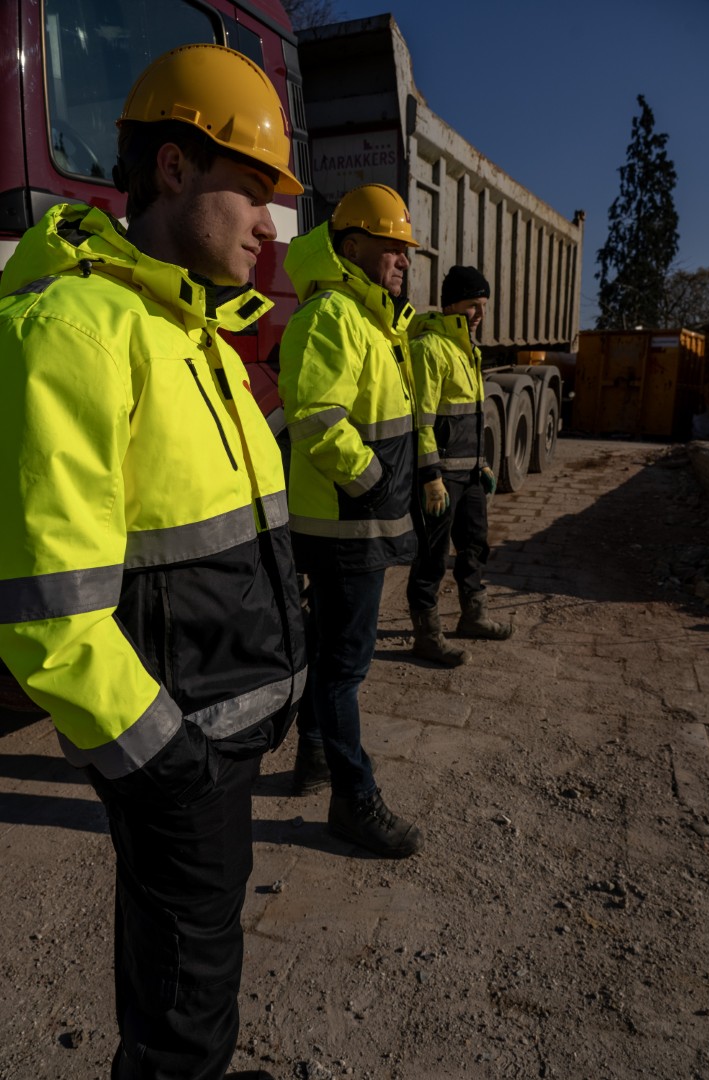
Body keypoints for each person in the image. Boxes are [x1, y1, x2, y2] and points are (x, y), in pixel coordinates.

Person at [0, 44, 306, 1080]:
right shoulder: (76, 332)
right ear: (173, 169)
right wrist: (171, 764)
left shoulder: (194, 335)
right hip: (181, 754)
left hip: (220, 735)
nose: (273, 227)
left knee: (192, 977)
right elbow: (50, 615)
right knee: (184, 1018)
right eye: (253, 191)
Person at [279, 183, 423, 858]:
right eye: (392, 245)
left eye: (406, 250)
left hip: (356, 522)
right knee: (343, 668)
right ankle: (352, 797)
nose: (403, 258)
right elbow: (315, 416)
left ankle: (312, 757)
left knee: (333, 658)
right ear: (353, 244)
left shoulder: (368, 319)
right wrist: (371, 484)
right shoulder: (332, 315)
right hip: (344, 527)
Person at [407, 265, 513, 666]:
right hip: (441, 476)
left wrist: (482, 463)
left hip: (468, 474)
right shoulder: (430, 348)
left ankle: (474, 615)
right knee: (432, 555)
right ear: (451, 304)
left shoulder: (469, 349)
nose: (480, 314)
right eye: (473, 305)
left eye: (484, 305)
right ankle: (428, 635)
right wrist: (430, 475)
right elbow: (422, 419)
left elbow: (471, 416)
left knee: (474, 546)